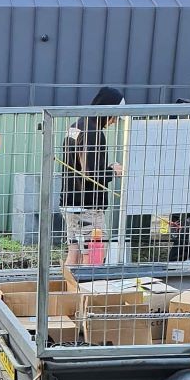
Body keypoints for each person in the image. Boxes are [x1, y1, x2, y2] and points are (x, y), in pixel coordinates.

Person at [60, 86, 126, 265]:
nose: (114, 122)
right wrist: (113, 171)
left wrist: (107, 167)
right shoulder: (93, 132)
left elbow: (81, 164)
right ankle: (90, 291)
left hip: (70, 202)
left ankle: (67, 291)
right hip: (88, 206)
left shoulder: (77, 126)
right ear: (108, 109)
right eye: (115, 116)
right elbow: (91, 174)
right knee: (94, 256)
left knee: (74, 253)